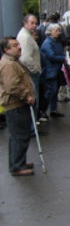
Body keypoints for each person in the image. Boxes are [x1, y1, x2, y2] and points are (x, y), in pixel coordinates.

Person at [0, 37, 36, 176]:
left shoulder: (12, 61)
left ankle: (18, 162)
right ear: (6, 50)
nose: (19, 47)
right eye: (15, 45)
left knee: (17, 135)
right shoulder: (9, 64)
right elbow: (12, 86)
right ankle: (17, 166)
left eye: (18, 44)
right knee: (20, 136)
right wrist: (27, 95)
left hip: (16, 104)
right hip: (15, 105)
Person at [16, 15, 42, 121]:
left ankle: (32, 125)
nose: (34, 26)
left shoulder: (27, 35)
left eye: (36, 23)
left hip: (30, 72)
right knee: (33, 99)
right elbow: (25, 58)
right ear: (25, 23)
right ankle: (32, 128)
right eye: (32, 23)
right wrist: (36, 69)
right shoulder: (25, 37)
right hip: (31, 73)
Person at [40, 24, 66, 118]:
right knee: (51, 91)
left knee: (54, 91)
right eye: (56, 31)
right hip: (50, 70)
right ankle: (43, 110)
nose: (59, 32)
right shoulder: (48, 43)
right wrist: (63, 58)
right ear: (50, 32)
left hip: (56, 70)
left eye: (59, 30)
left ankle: (53, 110)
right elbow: (51, 56)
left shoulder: (56, 41)